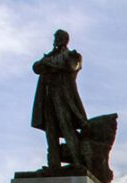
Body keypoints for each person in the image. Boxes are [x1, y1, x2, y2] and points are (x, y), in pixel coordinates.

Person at [32, 29, 88, 169]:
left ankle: (77, 161)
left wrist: (49, 64)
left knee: (66, 126)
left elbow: (71, 66)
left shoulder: (73, 55)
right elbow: (36, 67)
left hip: (64, 98)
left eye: (58, 37)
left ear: (65, 39)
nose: (56, 40)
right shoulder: (50, 56)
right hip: (47, 96)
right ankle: (53, 164)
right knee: (51, 131)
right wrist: (47, 61)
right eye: (55, 37)